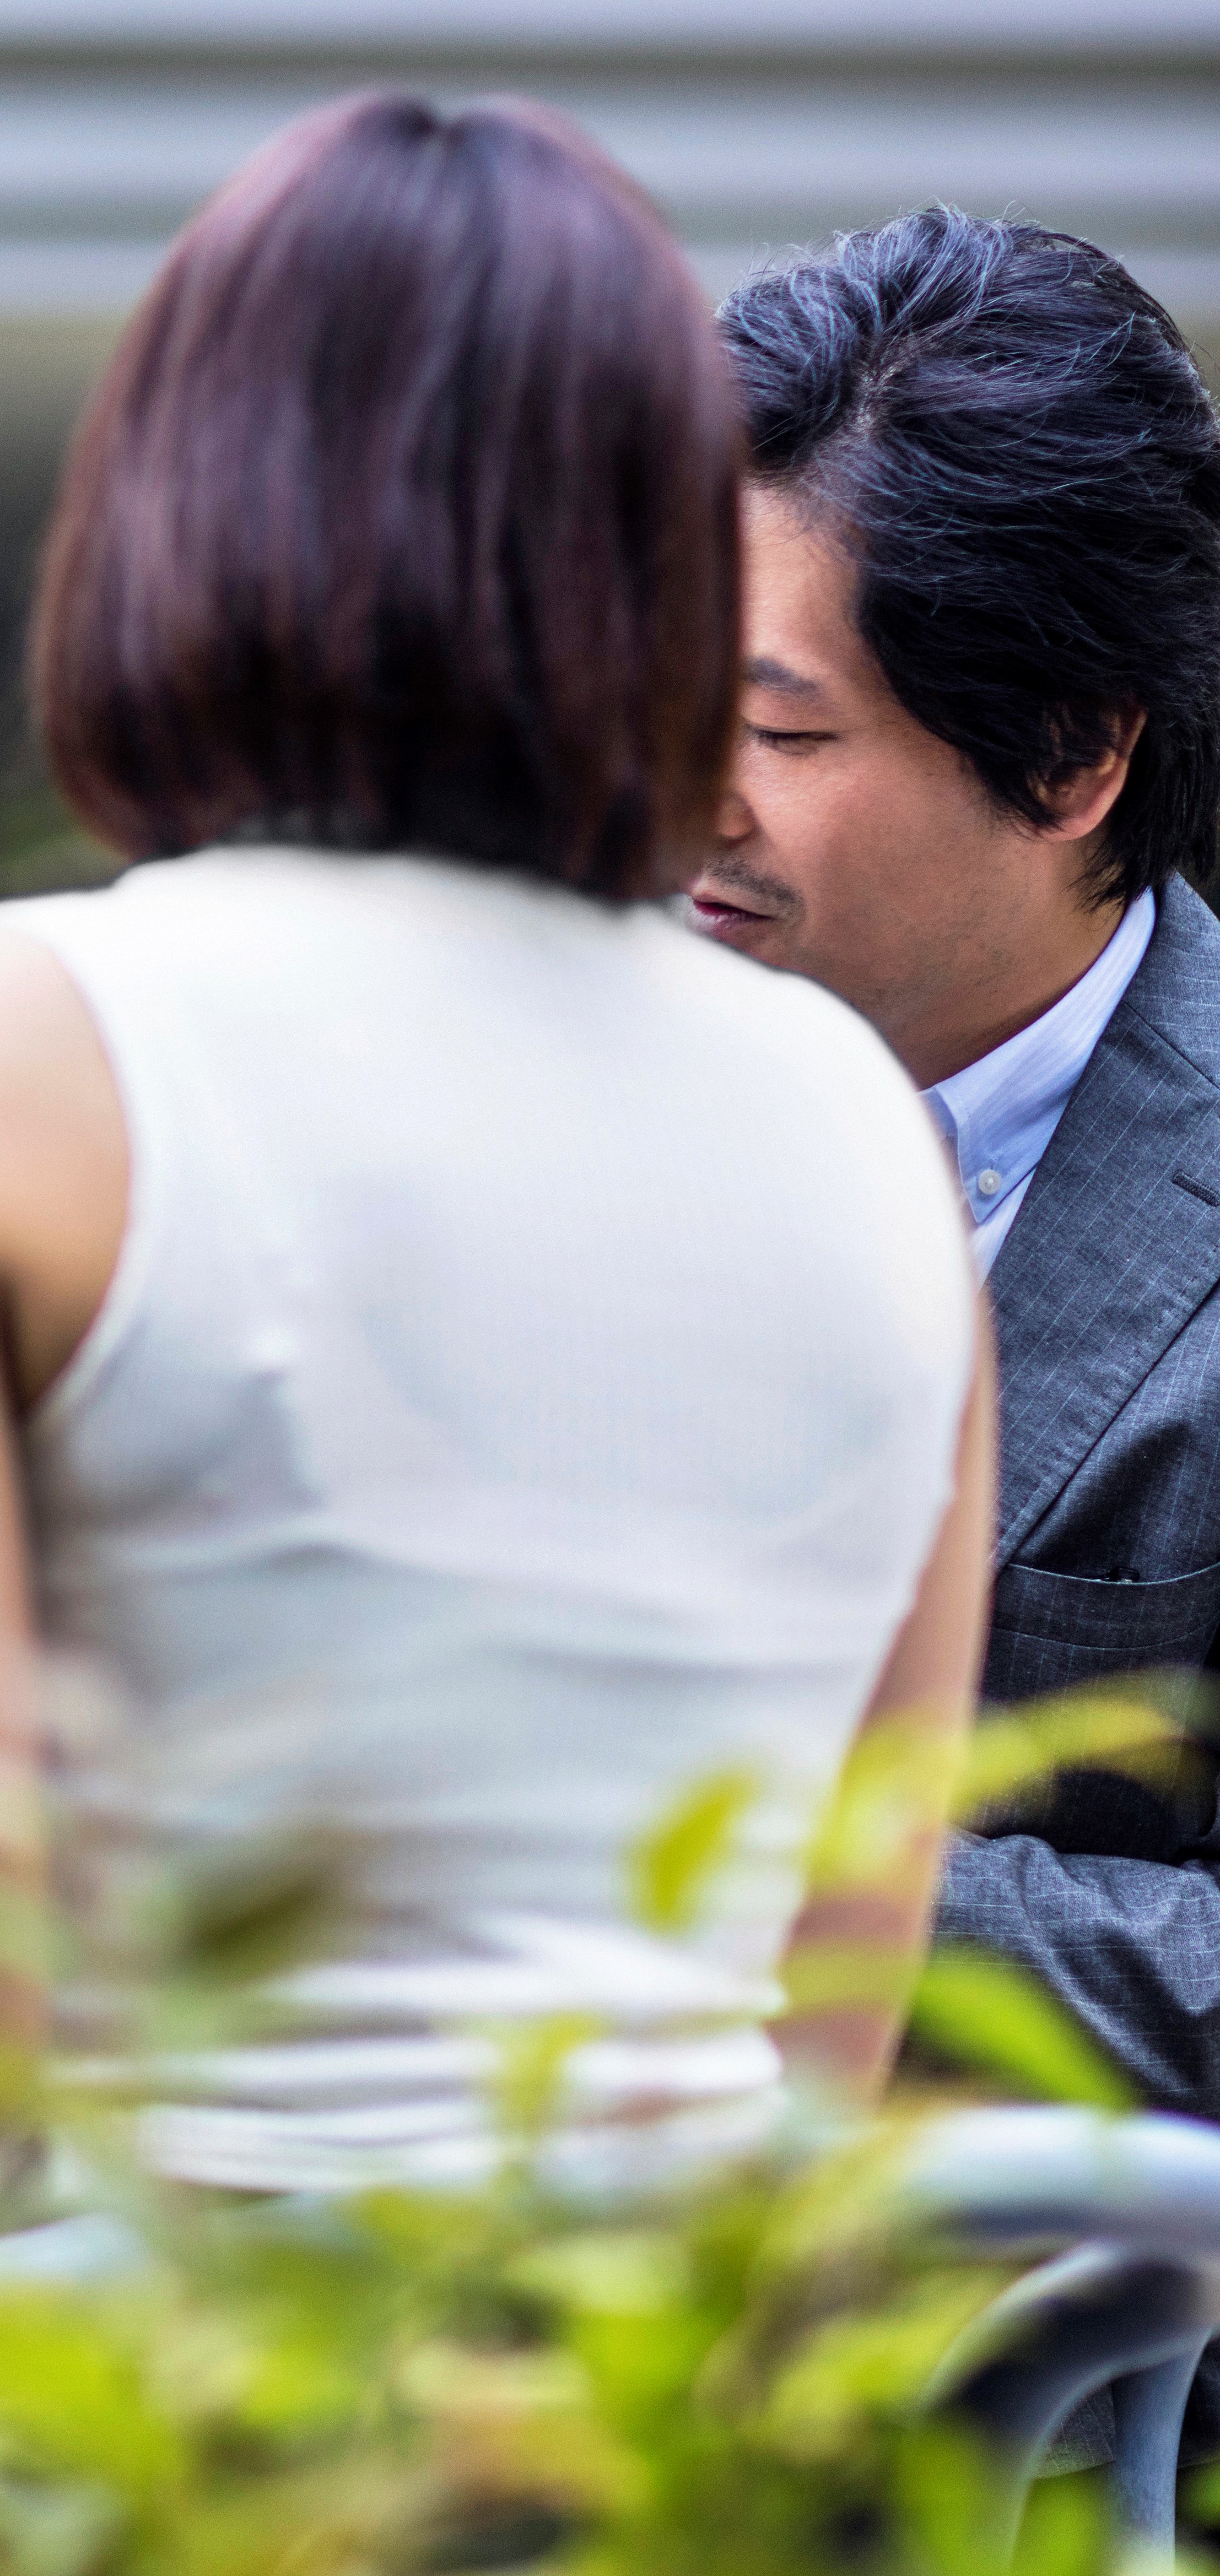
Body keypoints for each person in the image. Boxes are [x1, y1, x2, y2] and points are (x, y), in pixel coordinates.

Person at [0, 91, 993, 2192]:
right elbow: (828, 2036)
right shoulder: (864, 1135)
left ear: (165, 508)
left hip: (177, 2440)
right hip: (673, 2450)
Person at [692, 213, 1220, 2113]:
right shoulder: (523, 1091)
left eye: (767, 727)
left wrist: (743, 1886)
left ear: (1072, 754)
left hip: (1043, 2374)